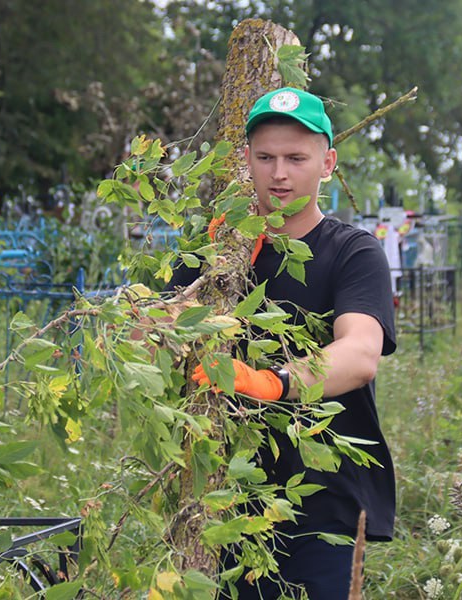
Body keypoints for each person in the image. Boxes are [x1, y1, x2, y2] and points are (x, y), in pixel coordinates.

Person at [168, 87, 397, 598]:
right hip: (221, 497)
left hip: (321, 505)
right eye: (266, 157)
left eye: (297, 158)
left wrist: (273, 382)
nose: (279, 174)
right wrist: (189, 291)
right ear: (246, 160)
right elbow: (152, 330)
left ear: (328, 163)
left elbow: (360, 354)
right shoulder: (215, 250)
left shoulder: (352, 253)